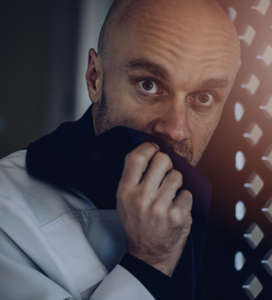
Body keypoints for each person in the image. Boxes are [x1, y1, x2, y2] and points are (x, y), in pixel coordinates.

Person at [0, 0, 240, 299]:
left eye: (203, 98)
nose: (176, 129)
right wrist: (150, 262)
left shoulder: (227, 219)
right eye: (149, 85)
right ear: (94, 78)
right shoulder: (7, 210)